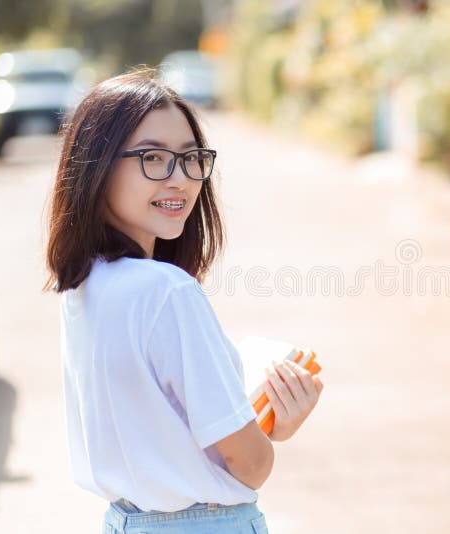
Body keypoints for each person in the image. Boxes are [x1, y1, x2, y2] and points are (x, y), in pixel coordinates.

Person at [42, 70, 324, 533]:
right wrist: (275, 429)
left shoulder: (84, 285)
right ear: (96, 164)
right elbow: (249, 465)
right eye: (153, 157)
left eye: (191, 159)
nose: (180, 180)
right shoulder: (166, 292)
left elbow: (159, 437)